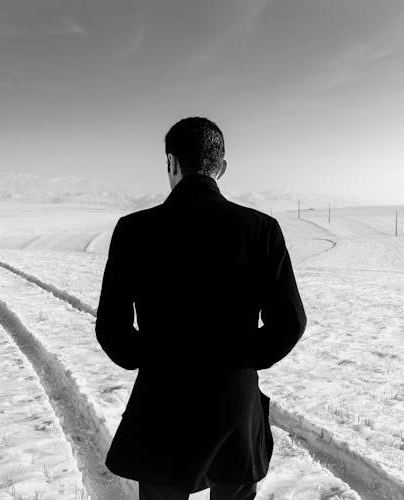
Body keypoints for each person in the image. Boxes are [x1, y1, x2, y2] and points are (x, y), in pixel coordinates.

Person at [95, 116, 306, 500]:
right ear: (221, 168)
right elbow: (289, 323)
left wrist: (153, 356)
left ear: (171, 163)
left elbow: (112, 327)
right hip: (234, 408)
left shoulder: (134, 229)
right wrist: (238, 358)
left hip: (162, 405)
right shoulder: (261, 229)